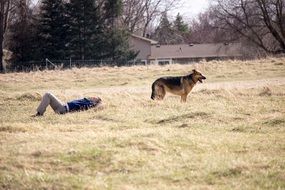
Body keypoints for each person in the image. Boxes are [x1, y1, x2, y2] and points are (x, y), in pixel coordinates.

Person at [33, 92, 102, 116]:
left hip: (63, 109)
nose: (94, 96)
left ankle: (39, 113)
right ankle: (40, 113)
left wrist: (98, 103)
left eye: (96, 98)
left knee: (48, 94)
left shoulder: (89, 104)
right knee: (48, 95)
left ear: (95, 101)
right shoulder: (86, 100)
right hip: (63, 105)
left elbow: (98, 105)